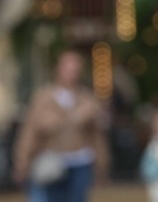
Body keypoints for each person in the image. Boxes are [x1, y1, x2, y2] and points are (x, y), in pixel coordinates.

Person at [13, 50, 109, 202]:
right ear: (58, 69)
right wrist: (22, 163)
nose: (71, 74)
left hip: (80, 162)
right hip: (51, 161)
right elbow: (29, 133)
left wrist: (102, 165)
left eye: (75, 70)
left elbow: (97, 136)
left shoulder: (87, 99)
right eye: (68, 69)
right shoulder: (43, 99)